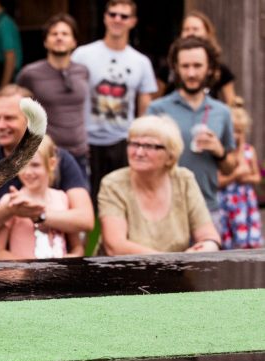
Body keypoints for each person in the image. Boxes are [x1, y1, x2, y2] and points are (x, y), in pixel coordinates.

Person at [0, 85, 94, 235]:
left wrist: (38, 215)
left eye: (9, 118)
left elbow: (86, 219)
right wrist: (7, 210)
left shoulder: (58, 159)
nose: (0, 125)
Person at [71, 0, 157, 203]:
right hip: (87, 139)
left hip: (122, 139)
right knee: (85, 198)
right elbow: (70, 95)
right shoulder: (83, 54)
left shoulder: (141, 62)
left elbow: (145, 106)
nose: (117, 19)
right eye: (113, 14)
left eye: (124, 16)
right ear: (105, 17)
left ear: (133, 22)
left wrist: (139, 141)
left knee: (120, 198)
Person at [99, 115, 221, 255]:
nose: (138, 152)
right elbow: (115, 246)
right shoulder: (113, 184)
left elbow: (209, 237)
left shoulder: (184, 179)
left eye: (149, 146)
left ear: (170, 155)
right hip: (123, 274)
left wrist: (207, 246)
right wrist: (172, 262)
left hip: (176, 273)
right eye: (134, 144)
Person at [147, 37, 237, 224]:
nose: (191, 73)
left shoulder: (221, 112)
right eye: (185, 66)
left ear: (210, 68)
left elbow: (230, 167)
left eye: (197, 66)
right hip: (165, 210)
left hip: (207, 210)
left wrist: (219, 151)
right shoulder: (157, 109)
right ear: (176, 68)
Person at [16, 14, 89, 175]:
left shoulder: (82, 71)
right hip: (46, 153)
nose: (59, 38)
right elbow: (18, 110)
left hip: (80, 152)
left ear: (74, 42)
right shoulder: (30, 74)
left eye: (65, 34)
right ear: (45, 41)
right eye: (54, 34)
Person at [0, 135, 83, 260]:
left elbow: (77, 247)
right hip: (25, 277)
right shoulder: (11, 200)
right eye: (22, 165)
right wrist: (28, 270)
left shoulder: (62, 198)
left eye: (35, 165)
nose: (28, 172)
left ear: (51, 164)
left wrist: (71, 260)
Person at [159, 11, 236, 106]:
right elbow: (155, 97)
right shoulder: (169, 68)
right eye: (186, 29)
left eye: (195, 29)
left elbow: (231, 102)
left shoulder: (220, 69)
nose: (190, 33)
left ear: (207, 33)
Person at [216, 101, 261, 249]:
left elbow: (257, 177)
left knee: (248, 245)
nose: (236, 136)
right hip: (226, 202)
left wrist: (246, 177)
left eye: (240, 132)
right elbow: (217, 182)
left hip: (245, 202)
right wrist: (235, 175)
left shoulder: (249, 150)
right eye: (233, 131)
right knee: (227, 246)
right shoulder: (222, 153)